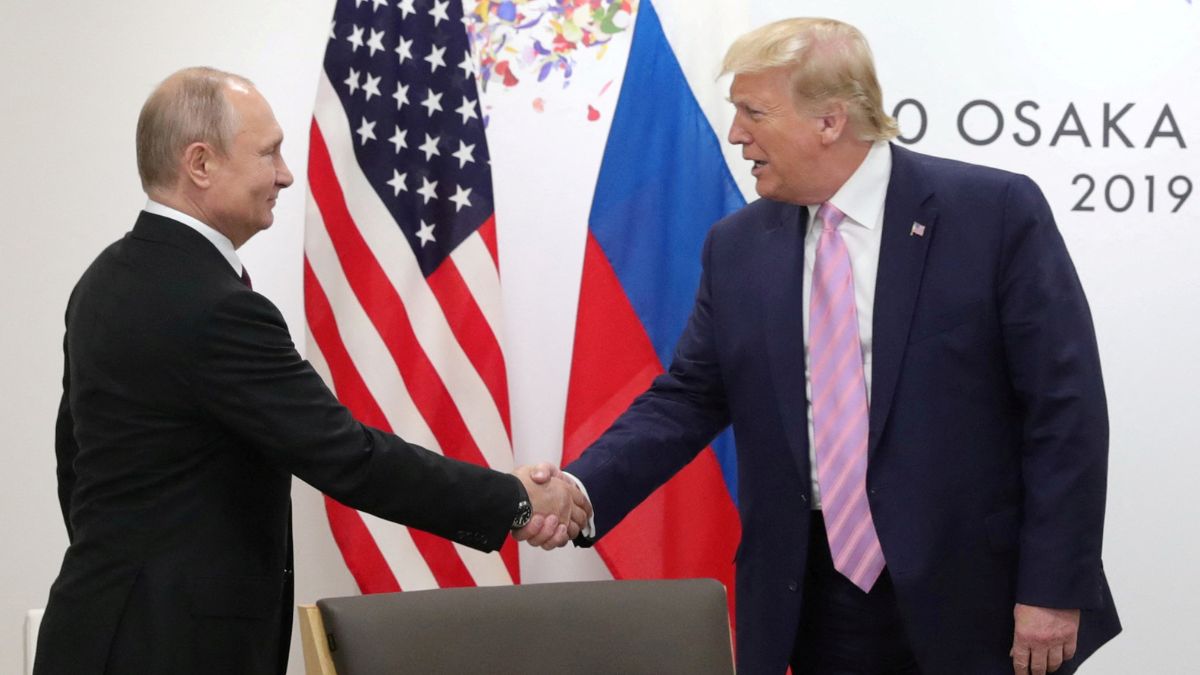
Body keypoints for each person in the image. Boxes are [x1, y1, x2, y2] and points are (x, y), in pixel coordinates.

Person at [560, 17, 1120, 675]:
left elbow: (1065, 412)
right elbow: (688, 399)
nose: (737, 133)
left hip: (976, 599)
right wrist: (580, 487)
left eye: (753, 112)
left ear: (830, 121)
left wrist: (1052, 588)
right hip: (815, 599)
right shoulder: (737, 246)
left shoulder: (993, 214)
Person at [36, 67, 585, 675]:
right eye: (268, 153)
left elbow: (77, 464)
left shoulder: (107, 278)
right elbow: (347, 456)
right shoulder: (217, 308)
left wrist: (125, 568)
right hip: (169, 650)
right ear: (200, 163)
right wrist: (512, 499)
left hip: (95, 632)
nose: (285, 174)